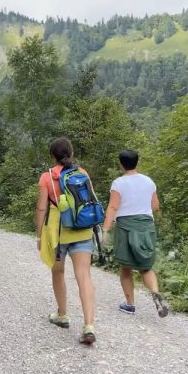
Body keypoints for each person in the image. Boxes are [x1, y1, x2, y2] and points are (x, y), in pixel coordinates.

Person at [35, 137, 97, 345]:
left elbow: (42, 208)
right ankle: (89, 325)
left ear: (52, 155)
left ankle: (62, 315)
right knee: (84, 276)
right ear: (70, 152)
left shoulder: (47, 177)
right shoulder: (82, 173)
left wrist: (38, 234)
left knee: (58, 271)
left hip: (58, 231)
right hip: (82, 228)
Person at [103, 150, 169, 318]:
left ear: (120, 164)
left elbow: (113, 207)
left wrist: (105, 229)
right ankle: (156, 293)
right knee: (145, 266)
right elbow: (155, 206)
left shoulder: (118, 183)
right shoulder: (149, 182)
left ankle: (130, 305)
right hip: (146, 226)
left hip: (125, 226)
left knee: (126, 267)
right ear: (137, 163)